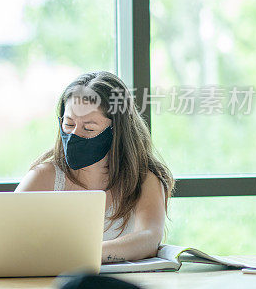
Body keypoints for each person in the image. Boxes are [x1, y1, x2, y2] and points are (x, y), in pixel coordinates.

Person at [15, 71, 174, 263]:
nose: (74, 135)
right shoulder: (44, 176)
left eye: (89, 128)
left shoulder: (143, 180)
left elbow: (148, 239)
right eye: (68, 124)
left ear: (117, 131)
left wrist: (82, 254)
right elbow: (6, 238)